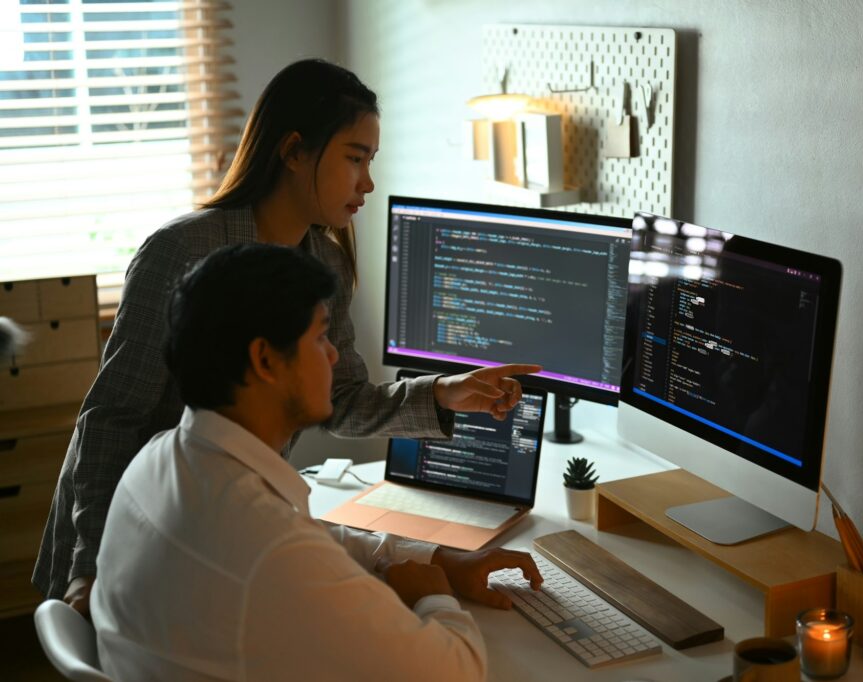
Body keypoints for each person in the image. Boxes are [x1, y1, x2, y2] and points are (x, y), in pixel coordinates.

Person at [33, 58, 541, 616]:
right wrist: (89, 565)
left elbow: (342, 401)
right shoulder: (181, 252)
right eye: (355, 158)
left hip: (225, 525)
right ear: (295, 150)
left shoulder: (323, 261)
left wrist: (444, 391)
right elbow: (110, 418)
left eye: (371, 161)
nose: (368, 182)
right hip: (132, 535)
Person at [91, 244, 540, 680]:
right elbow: (456, 671)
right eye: (321, 337)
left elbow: (312, 541)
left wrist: (439, 558)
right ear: (265, 359)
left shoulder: (158, 461)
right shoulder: (269, 550)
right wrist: (434, 597)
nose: (333, 356)